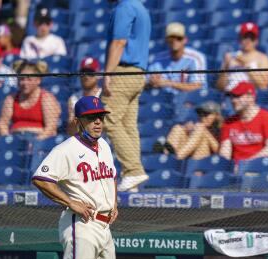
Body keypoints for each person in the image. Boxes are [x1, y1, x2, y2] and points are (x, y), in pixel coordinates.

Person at [31, 96, 118, 259]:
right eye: (92, 117)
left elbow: (111, 176)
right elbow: (40, 178)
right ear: (79, 120)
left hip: (104, 226)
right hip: (80, 223)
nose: (98, 122)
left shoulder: (103, 145)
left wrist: (114, 202)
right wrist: (71, 201)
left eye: (100, 116)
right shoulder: (66, 149)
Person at [102, 0, 151, 192]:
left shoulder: (125, 7)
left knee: (107, 118)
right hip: (138, 74)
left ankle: (132, 171)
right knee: (128, 125)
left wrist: (107, 74)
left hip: (123, 72)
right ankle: (133, 178)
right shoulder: (141, 7)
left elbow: (119, 42)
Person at [0, 59, 61, 140]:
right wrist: (7, 140)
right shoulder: (11, 99)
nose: (25, 83)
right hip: (15, 140)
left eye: (29, 79)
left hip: (39, 140)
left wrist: (37, 141)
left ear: (38, 80)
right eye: (22, 79)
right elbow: (2, 123)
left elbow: (51, 127)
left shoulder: (46, 98)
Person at [219, 82, 268, 162]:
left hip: (261, 167)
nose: (233, 100)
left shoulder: (267, 118)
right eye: (232, 97)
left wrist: (247, 164)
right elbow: (225, 154)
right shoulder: (229, 122)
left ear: (251, 97)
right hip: (237, 170)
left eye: (238, 96)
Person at [148, 22, 206, 93]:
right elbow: (146, 82)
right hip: (164, 100)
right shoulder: (158, 58)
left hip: (188, 102)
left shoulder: (196, 58)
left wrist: (168, 83)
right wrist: (151, 82)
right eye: (171, 38)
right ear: (166, 40)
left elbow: (198, 87)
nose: (174, 41)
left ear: (185, 40)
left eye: (179, 38)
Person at [155, 101, 221, 160]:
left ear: (217, 116)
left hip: (209, 163)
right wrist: (186, 130)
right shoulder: (199, 125)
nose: (203, 117)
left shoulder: (222, 128)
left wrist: (204, 131)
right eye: (202, 114)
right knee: (178, 128)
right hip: (190, 157)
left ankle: (174, 160)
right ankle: (168, 157)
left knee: (200, 130)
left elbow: (219, 150)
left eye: (207, 114)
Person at [216, 22, 268, 92]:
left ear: (256, 41)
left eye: (252, 38)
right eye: (245, 37)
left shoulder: (262, 58)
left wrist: (246, 65)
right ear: (240, 39)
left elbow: (263, 86)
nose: (248, 41)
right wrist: (226, 68)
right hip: (230, 96)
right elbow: (219, 87)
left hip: (250, 97)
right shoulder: (231, 57)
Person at [67, 57, 102, 134]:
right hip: (80, 142)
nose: (86, 76)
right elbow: (70, 131)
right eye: (83, 72)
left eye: (90, 72)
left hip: (102, 141)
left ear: (98, 75)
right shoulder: (73, 99)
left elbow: (109, 125)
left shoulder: (103, 96)